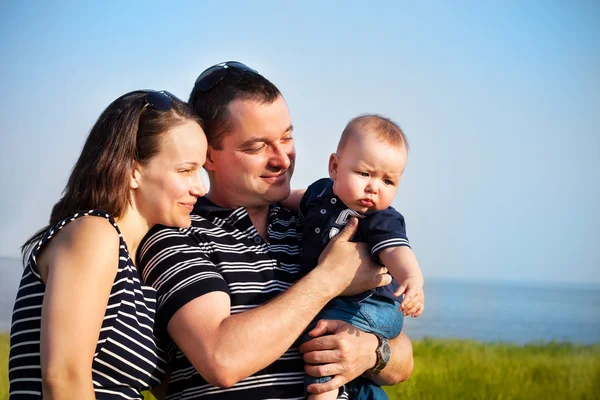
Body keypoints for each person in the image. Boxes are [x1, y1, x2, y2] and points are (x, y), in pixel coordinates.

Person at [137, 61, 414, 399]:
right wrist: (329, 280)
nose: (283, 159)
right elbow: (221, 359)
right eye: (257, 146)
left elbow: (403, 358)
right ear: (208, 156)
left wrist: (371, 352)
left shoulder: (315, 221)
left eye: (287, 137)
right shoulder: (174, 235)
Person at [8, 90, 208, 399]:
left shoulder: (130, 262)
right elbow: (64, 378)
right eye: (185, 170)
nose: (200, 187)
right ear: (133, 172)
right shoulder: (94, 234)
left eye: (201, 170)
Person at [285, 114, 424, 399]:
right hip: (343, 304)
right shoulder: (320, 193)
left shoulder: (379, 218)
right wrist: (270, 197)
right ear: (334, 166)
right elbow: (294, 197)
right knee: (352, 373)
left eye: (388, 181)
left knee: (325, 342)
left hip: (372, 307)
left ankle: (322, 394)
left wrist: (411, 276)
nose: (374, 187)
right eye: (364, 174)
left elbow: (396, 250)